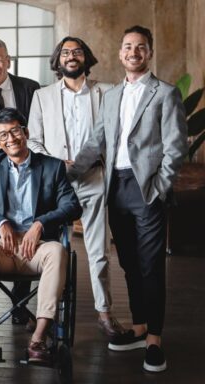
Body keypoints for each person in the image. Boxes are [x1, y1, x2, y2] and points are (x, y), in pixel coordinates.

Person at [69, 25, 187, 373]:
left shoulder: (164, 93)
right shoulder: (112, 94)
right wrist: (68, 173)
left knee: (151, 266)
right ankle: (139, 326)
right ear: (120, 54)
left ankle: (154, 339)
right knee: (130, 264)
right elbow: (96, 142)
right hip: (115, 187)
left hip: (147, 188)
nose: (133, 52)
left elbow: (176, 146)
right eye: (127, 47)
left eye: (140, 47)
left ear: (148, 53)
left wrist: (160, 187)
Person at [0, 108, 81, 364]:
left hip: (37, 248)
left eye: (15, 131)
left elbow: (72, 206)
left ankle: (38, 338)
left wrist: (40, 223)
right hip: (1, 248)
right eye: (3, 135)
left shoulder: (52, 167)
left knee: (58, 252)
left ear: (25, 132)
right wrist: (0, 223)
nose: (11, 138)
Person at [27, 36, 122, 338]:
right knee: (54, 249)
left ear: (86, 58)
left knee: (99, 250)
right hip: (57, 182)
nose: (71, 56)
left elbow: (115, 134)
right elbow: (33, 140)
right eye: (66, 52)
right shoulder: (42, 96)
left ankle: (104, 312)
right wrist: (57, 164)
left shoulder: (106, 92)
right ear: (58, 60)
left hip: (94, 178)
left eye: (77, 51)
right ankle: (49, 313)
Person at [0, 37, 41, 326]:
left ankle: (20, 303)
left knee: (25, 223)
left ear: (9, 60)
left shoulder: (30, 88)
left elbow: (38, 128)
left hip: (26, 169)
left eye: (0, 59)